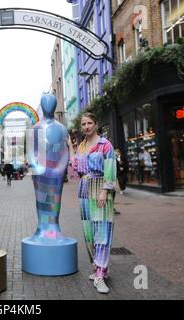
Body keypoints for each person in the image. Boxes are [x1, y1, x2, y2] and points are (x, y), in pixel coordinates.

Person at [72, 112, 117, 294]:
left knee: (102, 231)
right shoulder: (82, 146)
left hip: (100, 187)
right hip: (84, 189)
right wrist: (71, 148)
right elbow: (76, 167)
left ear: (96, 124)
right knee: (89, 232)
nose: (86, 127)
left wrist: (105, 191)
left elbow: (111, 168)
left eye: (89, 123)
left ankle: (100, 273)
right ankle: (98, 267)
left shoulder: (105, 145)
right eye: (83, 124)